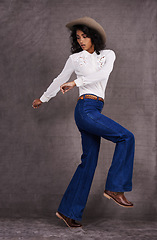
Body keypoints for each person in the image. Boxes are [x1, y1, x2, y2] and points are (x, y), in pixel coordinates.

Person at [32, 16, 135, 228]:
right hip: (85, 110)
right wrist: (43, 98)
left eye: (85, 36)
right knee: (126, 137)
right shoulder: (75, 59)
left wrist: (76, 82)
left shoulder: (107, 55)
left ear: (94, 36)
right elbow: (60, 79)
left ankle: (68, 212)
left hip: (95, 108)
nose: (81, 40)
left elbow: (102, 74)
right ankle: (115, 188)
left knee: (88, 162)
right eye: (78, 37)